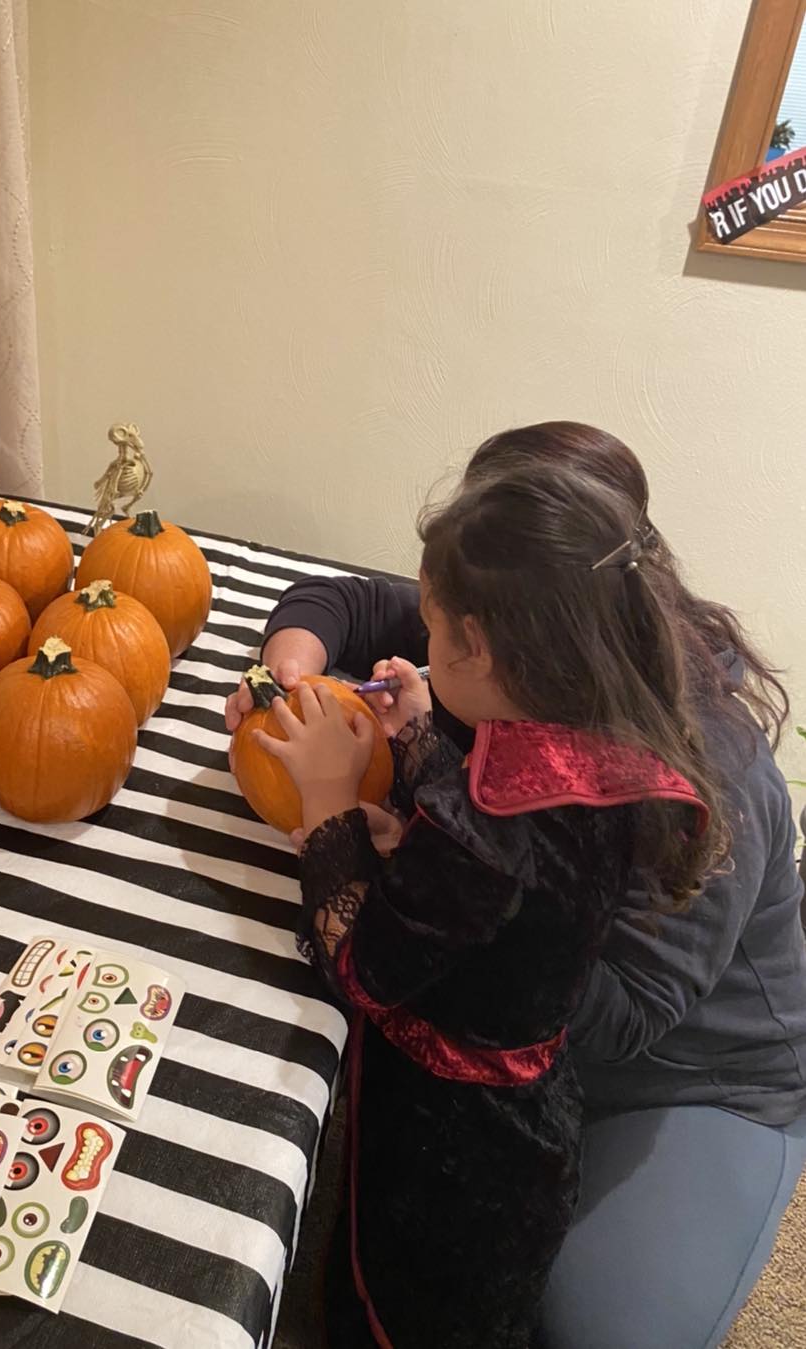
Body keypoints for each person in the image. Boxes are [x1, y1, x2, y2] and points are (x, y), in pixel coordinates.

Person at [226, 424, 806, 1349]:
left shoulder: (703, 767)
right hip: (534, 1082)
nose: (421, 636)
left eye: (438, 625)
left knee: (579, 1323)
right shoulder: (550, 660)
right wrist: (293, 671)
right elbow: (350, 600)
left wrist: (373, 835)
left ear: (491, 635)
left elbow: (400, 967)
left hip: (686, 1074)